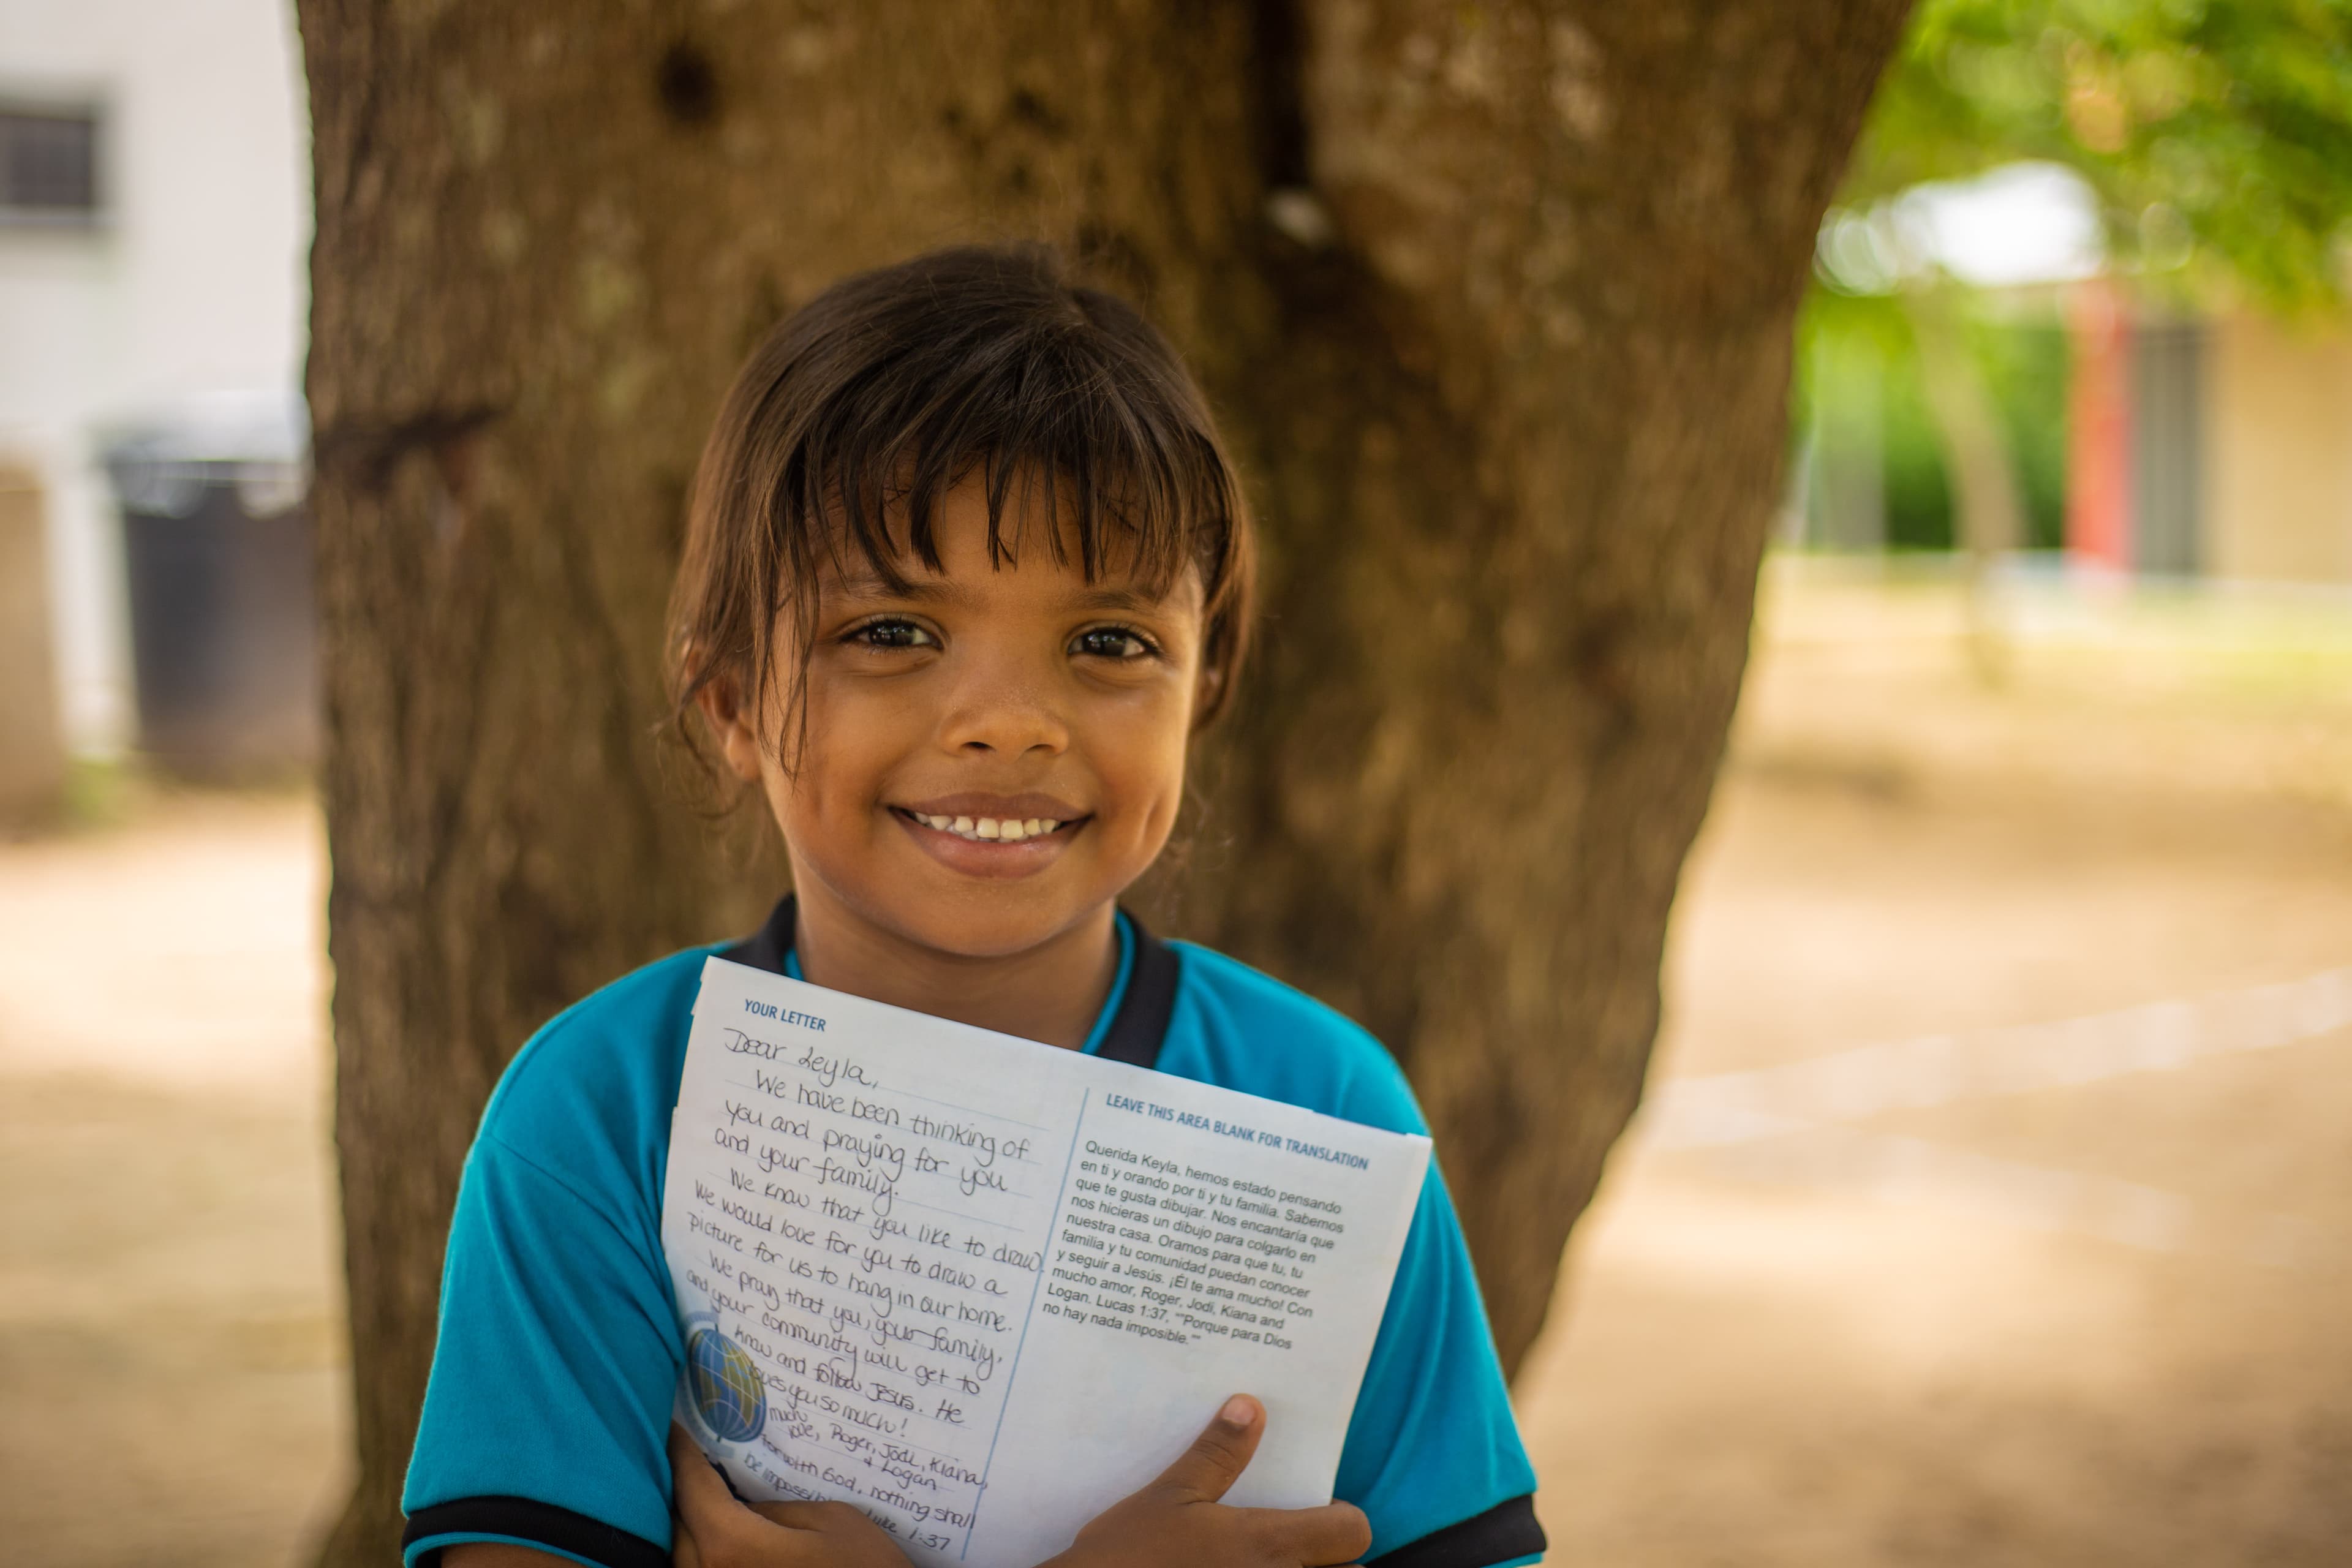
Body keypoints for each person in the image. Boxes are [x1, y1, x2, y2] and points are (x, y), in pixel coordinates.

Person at [399, 246, 1545, 1568]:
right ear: (725, 701)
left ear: (1203, 690)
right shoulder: (603, 1116)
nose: (1008, 722)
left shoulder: (1322, 1115)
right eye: (891, 630)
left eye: (1109, 641)